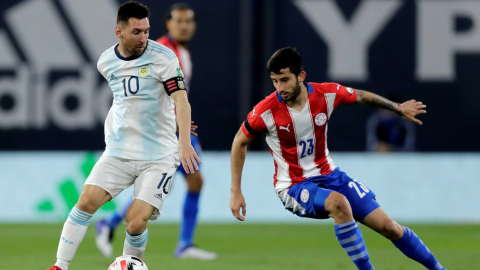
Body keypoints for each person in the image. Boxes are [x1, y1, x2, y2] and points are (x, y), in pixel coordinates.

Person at [229, 47, 446, 270]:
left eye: (284, 80)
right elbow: (239, 142)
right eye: (275, 81)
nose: (279, 88)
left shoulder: (326, 94)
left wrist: (397, 108)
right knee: (339, 203)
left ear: (301, 76)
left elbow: (361, 96)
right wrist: (236, 190)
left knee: (388, 226)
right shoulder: (265, 111)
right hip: (294, 185)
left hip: (331, 175)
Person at [47, 2, 201, 269]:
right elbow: (127, 100)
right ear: (119, 31)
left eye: (147, 31)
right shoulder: (106, 62)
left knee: (135, 220)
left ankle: (131, 264)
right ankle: (59, 265)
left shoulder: (164, 57)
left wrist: (184, 141)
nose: (143, 38)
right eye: (137, 32)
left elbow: (181, 100)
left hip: (159, 155)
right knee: (85, 202)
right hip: (119, 151)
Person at [95, 3, 217, 260]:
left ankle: (180, 242)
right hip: (163, 132)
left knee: (191, 181)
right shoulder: (158, 50)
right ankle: (116, 224)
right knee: (168, 185)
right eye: (179, 21)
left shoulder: (180, 52)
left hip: (177, 128)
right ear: (169, 24)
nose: (184, 25)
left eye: (188, 21)